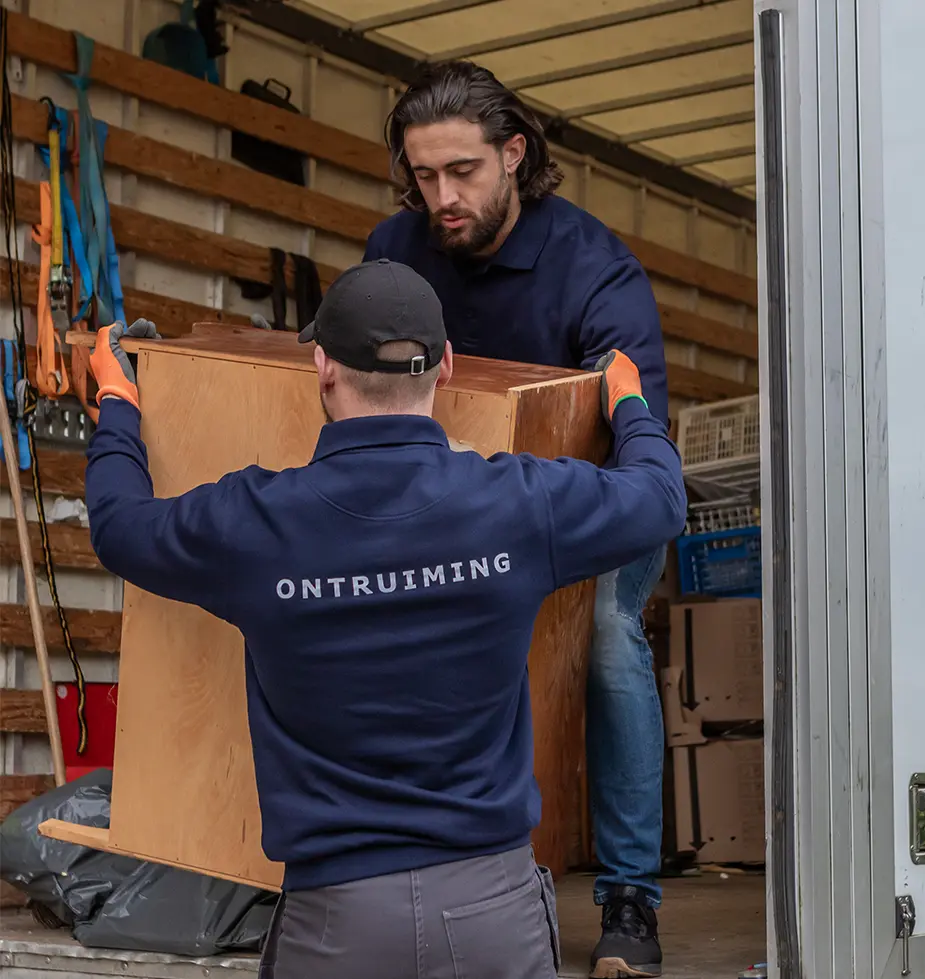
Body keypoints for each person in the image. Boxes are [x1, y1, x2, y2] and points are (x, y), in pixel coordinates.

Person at [83, 260, 685, 979]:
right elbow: (657, 497)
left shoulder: (255, 523)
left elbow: (121, 525)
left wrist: (119, 403)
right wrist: (628, 402)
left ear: (323, 366)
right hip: (492, 914)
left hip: (337, 923)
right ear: (447, 366)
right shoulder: (519, 505)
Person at [363, 60, 673, 978]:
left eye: (462, 172)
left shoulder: (594, 264)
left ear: (514, 154)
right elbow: (337, 370)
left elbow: (634, 428)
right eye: (424, 176)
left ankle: (629, 895)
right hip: (445, 507)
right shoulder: (395, 246)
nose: (441, 197)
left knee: (608, 643)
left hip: (591, 501)